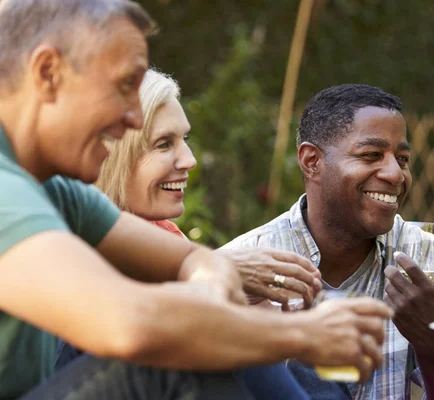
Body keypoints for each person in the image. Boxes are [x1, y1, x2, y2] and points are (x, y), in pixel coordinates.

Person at [0, 1, 393, 399]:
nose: (134, 118)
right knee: (176, 352)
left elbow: (195, 260)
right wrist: (299, 334)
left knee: (204, 338)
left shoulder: (54, 188)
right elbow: (130, 324)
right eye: (122, 86)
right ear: (48, 73)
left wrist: (209, 299)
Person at [54, 68, 320, 400]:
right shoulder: (59, 232)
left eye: (185, 140)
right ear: (110, 156)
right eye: (163, 144)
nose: (189, 160)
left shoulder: (162, 232)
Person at [223, 84, 434, 399]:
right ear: (312, 161)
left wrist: (432, 340)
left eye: (403, 158)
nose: (396, 174)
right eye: (371, 155)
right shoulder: (243, 264)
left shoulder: (423, 254)